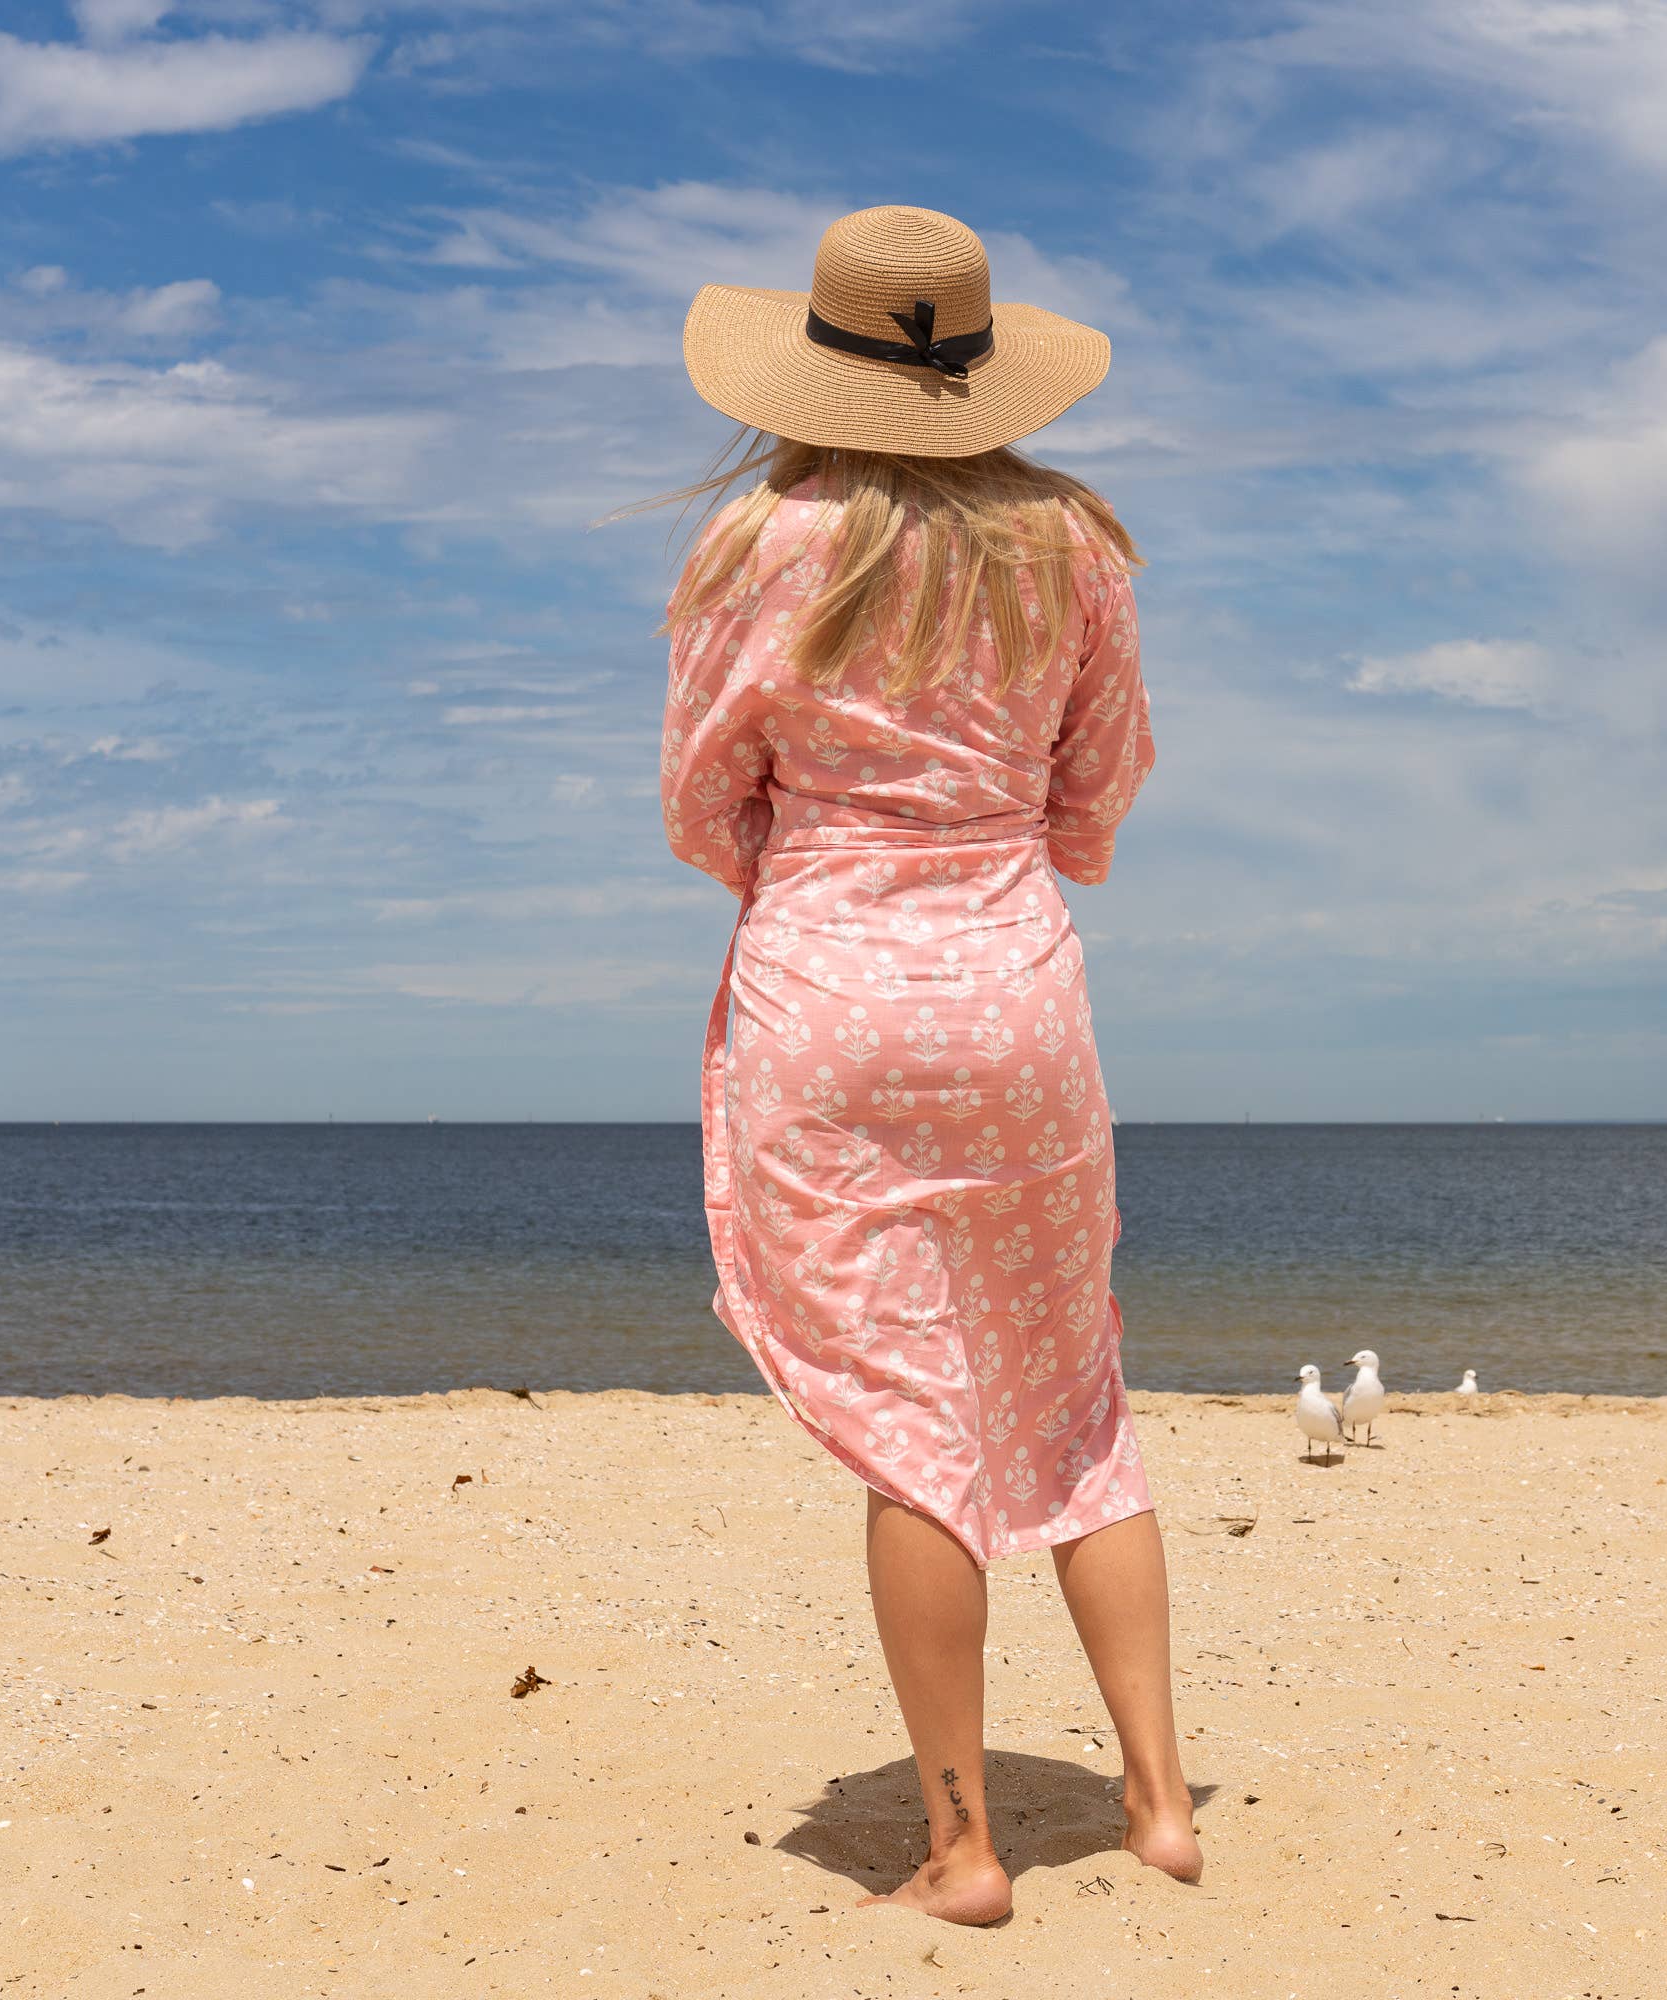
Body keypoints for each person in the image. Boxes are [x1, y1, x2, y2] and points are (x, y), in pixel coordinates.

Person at [656, 206, 1198, 1924]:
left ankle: (963, 1848)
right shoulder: (1076, 545)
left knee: (915, 1429)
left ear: (812, 364)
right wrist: (997, 854)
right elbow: (1100, 791)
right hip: (1015, 990)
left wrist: (816, 875)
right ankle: (1162, 1803)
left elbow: (699, 795)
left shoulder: (757, 540)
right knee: (1076, 1404)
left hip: (828, 985)